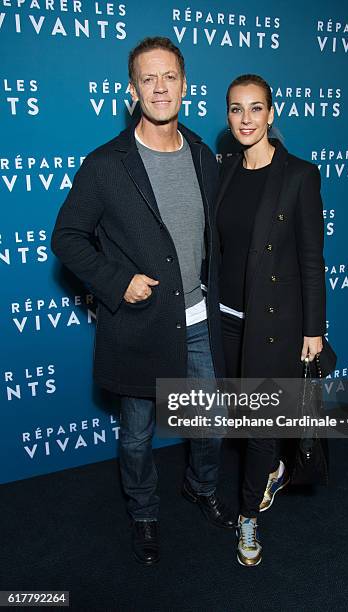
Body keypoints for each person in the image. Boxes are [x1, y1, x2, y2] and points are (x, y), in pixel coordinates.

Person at [51, 36, 235, 566]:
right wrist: (116, 280)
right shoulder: (106, 164)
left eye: (169, 77)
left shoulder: (203, 155)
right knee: (136, 437)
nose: (160, 88)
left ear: (184, 84)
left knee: (211, 424)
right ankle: (145, 513)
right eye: (148, 79)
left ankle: (200, 488)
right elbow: (66, 238)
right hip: (138, 322)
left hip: (198, 320)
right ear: (132, 90)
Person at [217, 74, 326, 566]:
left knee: (259, 423)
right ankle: (275, 466)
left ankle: (248, 519)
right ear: (228, 116)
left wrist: (314, 328)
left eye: (255, 109)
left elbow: (311, 258)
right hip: (225, 320)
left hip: (277, 323)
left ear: (271, 114)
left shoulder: (300, 176)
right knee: (240, 418)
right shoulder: (224, 172)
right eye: (236, 110)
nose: (245, 120)